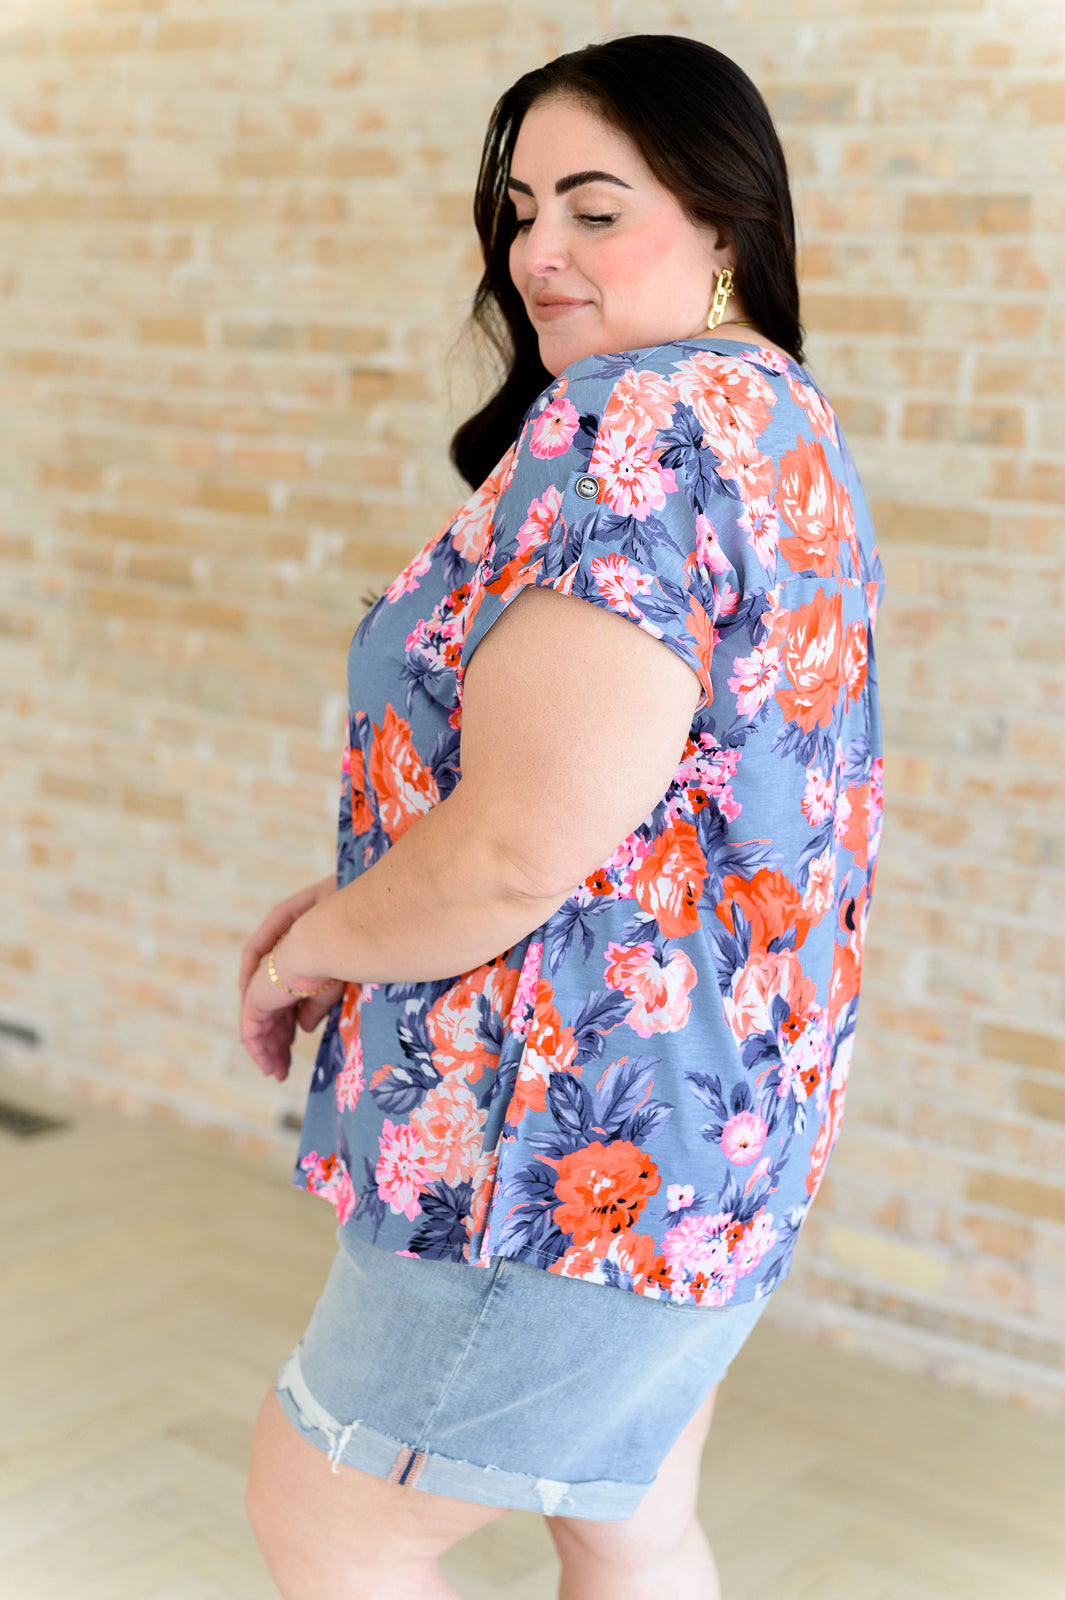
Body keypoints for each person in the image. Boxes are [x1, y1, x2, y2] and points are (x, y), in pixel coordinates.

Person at [239, 33, 884, 1600]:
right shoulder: (773, 412)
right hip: (713, 1135)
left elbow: (526, 846)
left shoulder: (632, 431)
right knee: (627, 1516)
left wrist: (308, 948)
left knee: (330, 1513)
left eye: (596, 207)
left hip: (555, 1149)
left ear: (722, 218)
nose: (537, 250)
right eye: (521, 207)